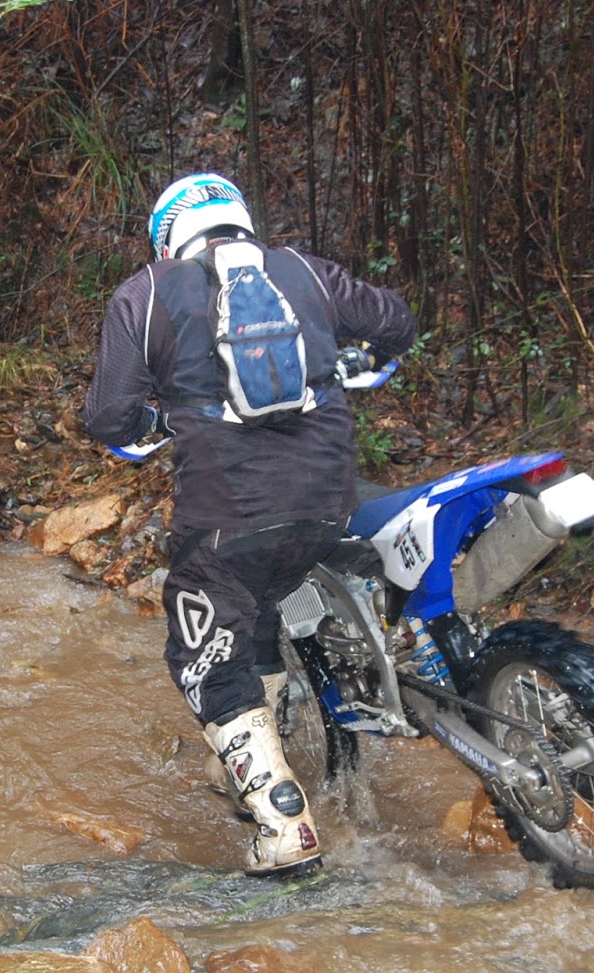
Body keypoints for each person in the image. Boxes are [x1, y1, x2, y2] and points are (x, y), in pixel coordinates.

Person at [83, 173, 418, 875]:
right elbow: (397, 323)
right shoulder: (304, 271)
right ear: (241, 219)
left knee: (202, 649)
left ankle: (280, 822)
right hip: (329, 502)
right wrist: (357, 362)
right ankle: (244, 762)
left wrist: (162, 420)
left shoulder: (144, 294)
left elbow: (110, 419)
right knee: (260, 604)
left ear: (168, 237)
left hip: (226, 517)